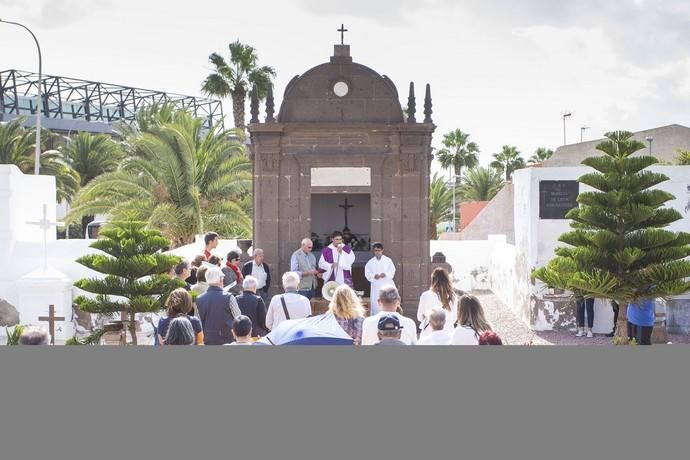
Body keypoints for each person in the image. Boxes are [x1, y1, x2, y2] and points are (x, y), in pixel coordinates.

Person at [197, 266, 242, 345]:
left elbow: (198, 322)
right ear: (220, 280)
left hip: (208, 339)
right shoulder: (229, 297)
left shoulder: (199, 299)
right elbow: (238, 318)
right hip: (228, 339)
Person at [417, 268, 458, 339]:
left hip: (429, 334)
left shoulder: (426, 295)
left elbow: (419, 317)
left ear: (433, 280)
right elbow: (454, 319)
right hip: (448, 333)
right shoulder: (453, 296)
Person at [364, 242, 396, 315]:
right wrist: (374, 276)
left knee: (388, 301)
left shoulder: (388, 260)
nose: (377, 252)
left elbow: (392, 271)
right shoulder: (370, 262)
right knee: (376, 304)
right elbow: (367, 273)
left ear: (382, 250)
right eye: (375, 251)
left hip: (386, 284)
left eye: (379, 250)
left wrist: (385, 274)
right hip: (376, 286)